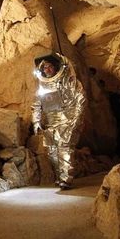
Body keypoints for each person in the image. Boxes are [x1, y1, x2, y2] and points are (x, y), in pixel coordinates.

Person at [31, 53, 86, 189]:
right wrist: (36, 122)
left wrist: (77, 119)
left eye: (50, 67)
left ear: (56, 68)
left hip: (67, 120)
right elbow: (37, 105)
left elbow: (81, 99)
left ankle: (66, 179)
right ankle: (60, 176)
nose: (47, 70)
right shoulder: (42, 86)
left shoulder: (69, 82)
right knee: (52, 152)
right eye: (44, 68)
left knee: (64, 149)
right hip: (50, 122)